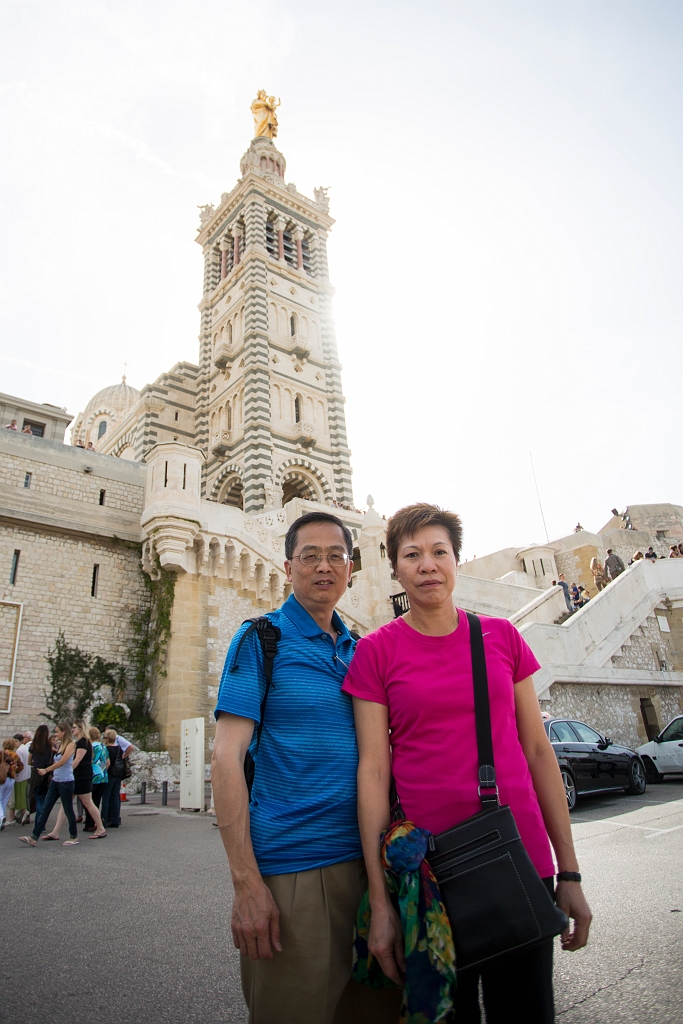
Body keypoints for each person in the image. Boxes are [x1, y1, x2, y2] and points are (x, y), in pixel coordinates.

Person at [342, 503, 592, 1024]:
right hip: (428, 876)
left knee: (526, 1012)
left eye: (439, 552)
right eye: (412, 554)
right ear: (394, 568)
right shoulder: (375, 652)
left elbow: (539, 752)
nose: (427, 564)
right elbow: (373, 771)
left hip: (517, 860)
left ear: (457, 560)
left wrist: (569, 872)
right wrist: (381, 902)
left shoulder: (502, 638)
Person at [212, 511, 402, 1024]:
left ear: (351, 566)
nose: (324, 567)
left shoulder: (360, 651)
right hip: (294, 874)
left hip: (371, 871)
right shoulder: (260, 640)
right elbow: (226, 758)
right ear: (288, 566)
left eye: (335, 556)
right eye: (310, 556)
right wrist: (246, 884)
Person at [41, 721, 107, 839]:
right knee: (66, 803)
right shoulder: (80, 742)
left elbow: (78, 759)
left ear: (81, 728)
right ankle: (56, 831)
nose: (72, 730)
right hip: (77, 776)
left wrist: (68, 771)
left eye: (75, 728)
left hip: (81, 776)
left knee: (87, 802)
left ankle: (100, 828)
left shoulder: (82, 742)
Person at [20, 721, 80, 846]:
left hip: (66, 781)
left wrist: (46, 770)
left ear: (64, 732)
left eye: (58, 732)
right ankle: (34, 837)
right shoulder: (60, 745)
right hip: (56, 780)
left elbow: (63, 761)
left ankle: (73, 836)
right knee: (46, 808)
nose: (56, 734)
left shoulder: (71, 744)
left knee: (68, 808)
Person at [84, 726, 109, 831]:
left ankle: (90, 823)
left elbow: (88, 761)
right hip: (103, 776)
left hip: (93, 775)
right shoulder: (103, 746)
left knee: (89, 801)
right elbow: (108, 762)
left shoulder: (91, 746)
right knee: (97, 801)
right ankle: (96, 821)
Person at [28, 724, 55, 823]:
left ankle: (39, 822)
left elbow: (29, 761)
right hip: (47, 772)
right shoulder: (50, 745)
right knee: (44, 798)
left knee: (38, 798)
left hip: (36, 772)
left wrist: (35, 763)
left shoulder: (33, 745)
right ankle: (41, 821)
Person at [102, 729, 125, 828]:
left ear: (107, 738)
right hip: (118, 774)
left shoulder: (106, 749)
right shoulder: (120, 749)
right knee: (115, 796)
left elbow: (106, 763)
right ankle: (116, 819)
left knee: (106, 797)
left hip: (109, 774)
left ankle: (105, 818)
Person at [1, 739, 24, 829]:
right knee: (4, 800)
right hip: (12, 779)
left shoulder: (2, 753)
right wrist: (14, 770)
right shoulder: (16, 755)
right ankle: (1, 820)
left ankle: (1, 816)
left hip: (2, 778)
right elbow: (21, 767)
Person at [13, 732, 32, 825]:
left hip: (20, 776)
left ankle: (24, 812)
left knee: (20, 796)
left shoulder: (19, 751)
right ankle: (23, 813)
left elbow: (19, 764)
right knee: (24, 795)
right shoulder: (25, 748)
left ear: (21, 741)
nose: (15, 743)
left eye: (16, 741)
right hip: (27, 775)